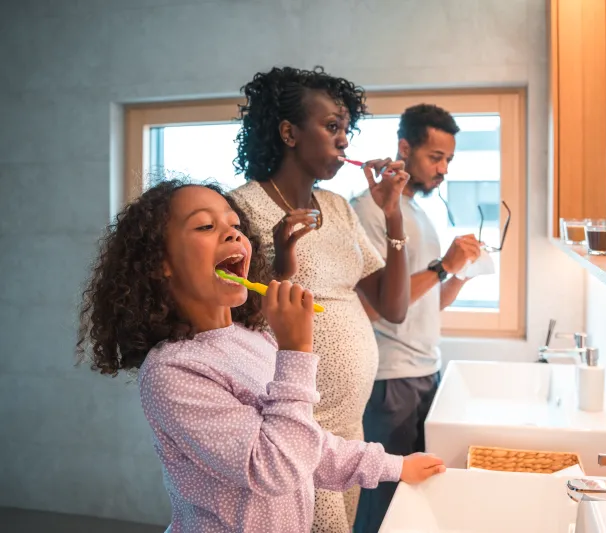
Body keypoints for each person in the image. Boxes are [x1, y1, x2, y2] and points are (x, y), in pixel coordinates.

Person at [76, 180, 444, 533]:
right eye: (205, 226)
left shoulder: (253, 338)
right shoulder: (171, 370)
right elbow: (274, 469)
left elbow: (305, 445)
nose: (233, 233)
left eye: (235, 225)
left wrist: (395, 466)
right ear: (161, 263)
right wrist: (296, 351)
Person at [228, 66, 412, 531]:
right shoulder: (240, 209)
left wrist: (392, 217)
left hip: (348, 428)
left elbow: (393, 308)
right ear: (289, 132)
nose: (344, 141)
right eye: (332, 127)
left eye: (346, 129)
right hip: (293, 425)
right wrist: (281, 266)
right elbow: (230, 312)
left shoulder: (337, 208)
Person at [351, 104, 483, 533]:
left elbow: (425, 304)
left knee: (413, 502)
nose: (443, 169)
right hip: (390, 380)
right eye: (435, 157)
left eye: (449, 160)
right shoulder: (370, 211)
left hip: (426, 371)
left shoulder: (420, 212)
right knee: (383, 503)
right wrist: (443, 266)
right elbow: (380, 306)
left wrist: (460, 276)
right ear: (404, 148)